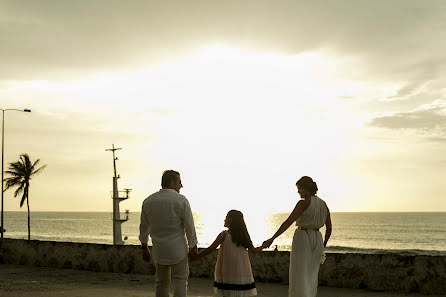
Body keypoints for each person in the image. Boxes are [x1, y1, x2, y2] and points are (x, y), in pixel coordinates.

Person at [263, 176, 332, 297]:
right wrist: (323, 245)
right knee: (311, 275)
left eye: (299, 188)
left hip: (303, 237)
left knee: (299, 274)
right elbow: (329, 228)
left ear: (306, 189)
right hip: (318, 239)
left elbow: (288, 222)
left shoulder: (303, 203)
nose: (298, 191)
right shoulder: (323, 204)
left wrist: (272, 238)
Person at [139, 170, 198, 297]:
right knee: (181, 282)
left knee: (161, 283)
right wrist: (193, 246)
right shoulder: (181, 200)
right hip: (178, 250)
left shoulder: (148, 201)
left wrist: (144, 248)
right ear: (172, 183)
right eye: (179, 182)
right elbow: (189, 226)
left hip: (159, 250)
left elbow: (144, 227)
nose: (181, 185)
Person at [192, 210, 267, 297]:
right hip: (241, 271)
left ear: (230, 220)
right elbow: (253, 251)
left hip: (228, 271)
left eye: (226, 218)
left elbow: (211, 249)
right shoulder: (243, 236)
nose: (224, 220)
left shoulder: (223, 235)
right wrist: (263, 246)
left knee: (227, 293)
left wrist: (197, 256)